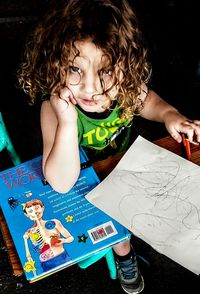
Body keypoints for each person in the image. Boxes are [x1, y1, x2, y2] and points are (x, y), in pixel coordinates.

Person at [17, 0, 200, 293]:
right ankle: (124, 254)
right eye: (75, 69)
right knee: (119, 232)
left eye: (105, 70)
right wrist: (66, 122)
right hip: (83, 187)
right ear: (55, 63)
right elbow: (62, 183)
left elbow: (148, 101)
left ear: (125, 67)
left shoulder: (124, 86)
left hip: (126, 168)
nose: (90, 88)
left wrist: (170, 115)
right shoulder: (55, 109)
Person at [23, 199, 74, 272]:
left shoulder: (54, 222)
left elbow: (71, 238)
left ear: (42, 208)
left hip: (62, 258)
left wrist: (64, 240)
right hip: (46, 263)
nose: (35, 212)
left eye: (37, 208)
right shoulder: (30, 231)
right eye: (31, 211)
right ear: (27, 215)